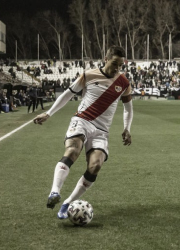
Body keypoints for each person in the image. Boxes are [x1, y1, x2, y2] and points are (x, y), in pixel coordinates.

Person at [33, 46, 134, 219]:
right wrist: (48, 113)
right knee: (73, 150)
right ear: (106, 59)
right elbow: (67, 94)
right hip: (82, 120)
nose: (117, 68)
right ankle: (54, 192)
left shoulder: (123, 83)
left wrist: (127, 128)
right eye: (114, 63)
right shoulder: (89, 75)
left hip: (102, 130)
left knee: (95, 166)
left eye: (121, 65)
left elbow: (128, 109)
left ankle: (67, 203)